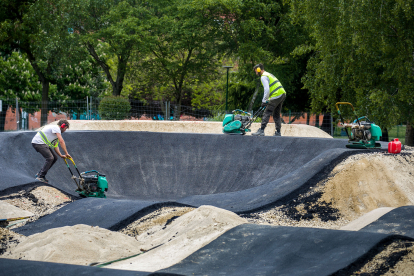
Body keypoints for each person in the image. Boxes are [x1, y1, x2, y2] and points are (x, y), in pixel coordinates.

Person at [252, 63, 286, 136]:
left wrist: (264, 101)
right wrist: (268, 99)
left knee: (267, 112)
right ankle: (278, 132)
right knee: (276, 114)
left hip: (276, 94)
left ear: (259, 69)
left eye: (256, 71)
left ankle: (261, 130)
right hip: (282, 94)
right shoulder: (268, 74)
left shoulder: (263, 76)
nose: (256, 73)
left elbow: (267, 89)